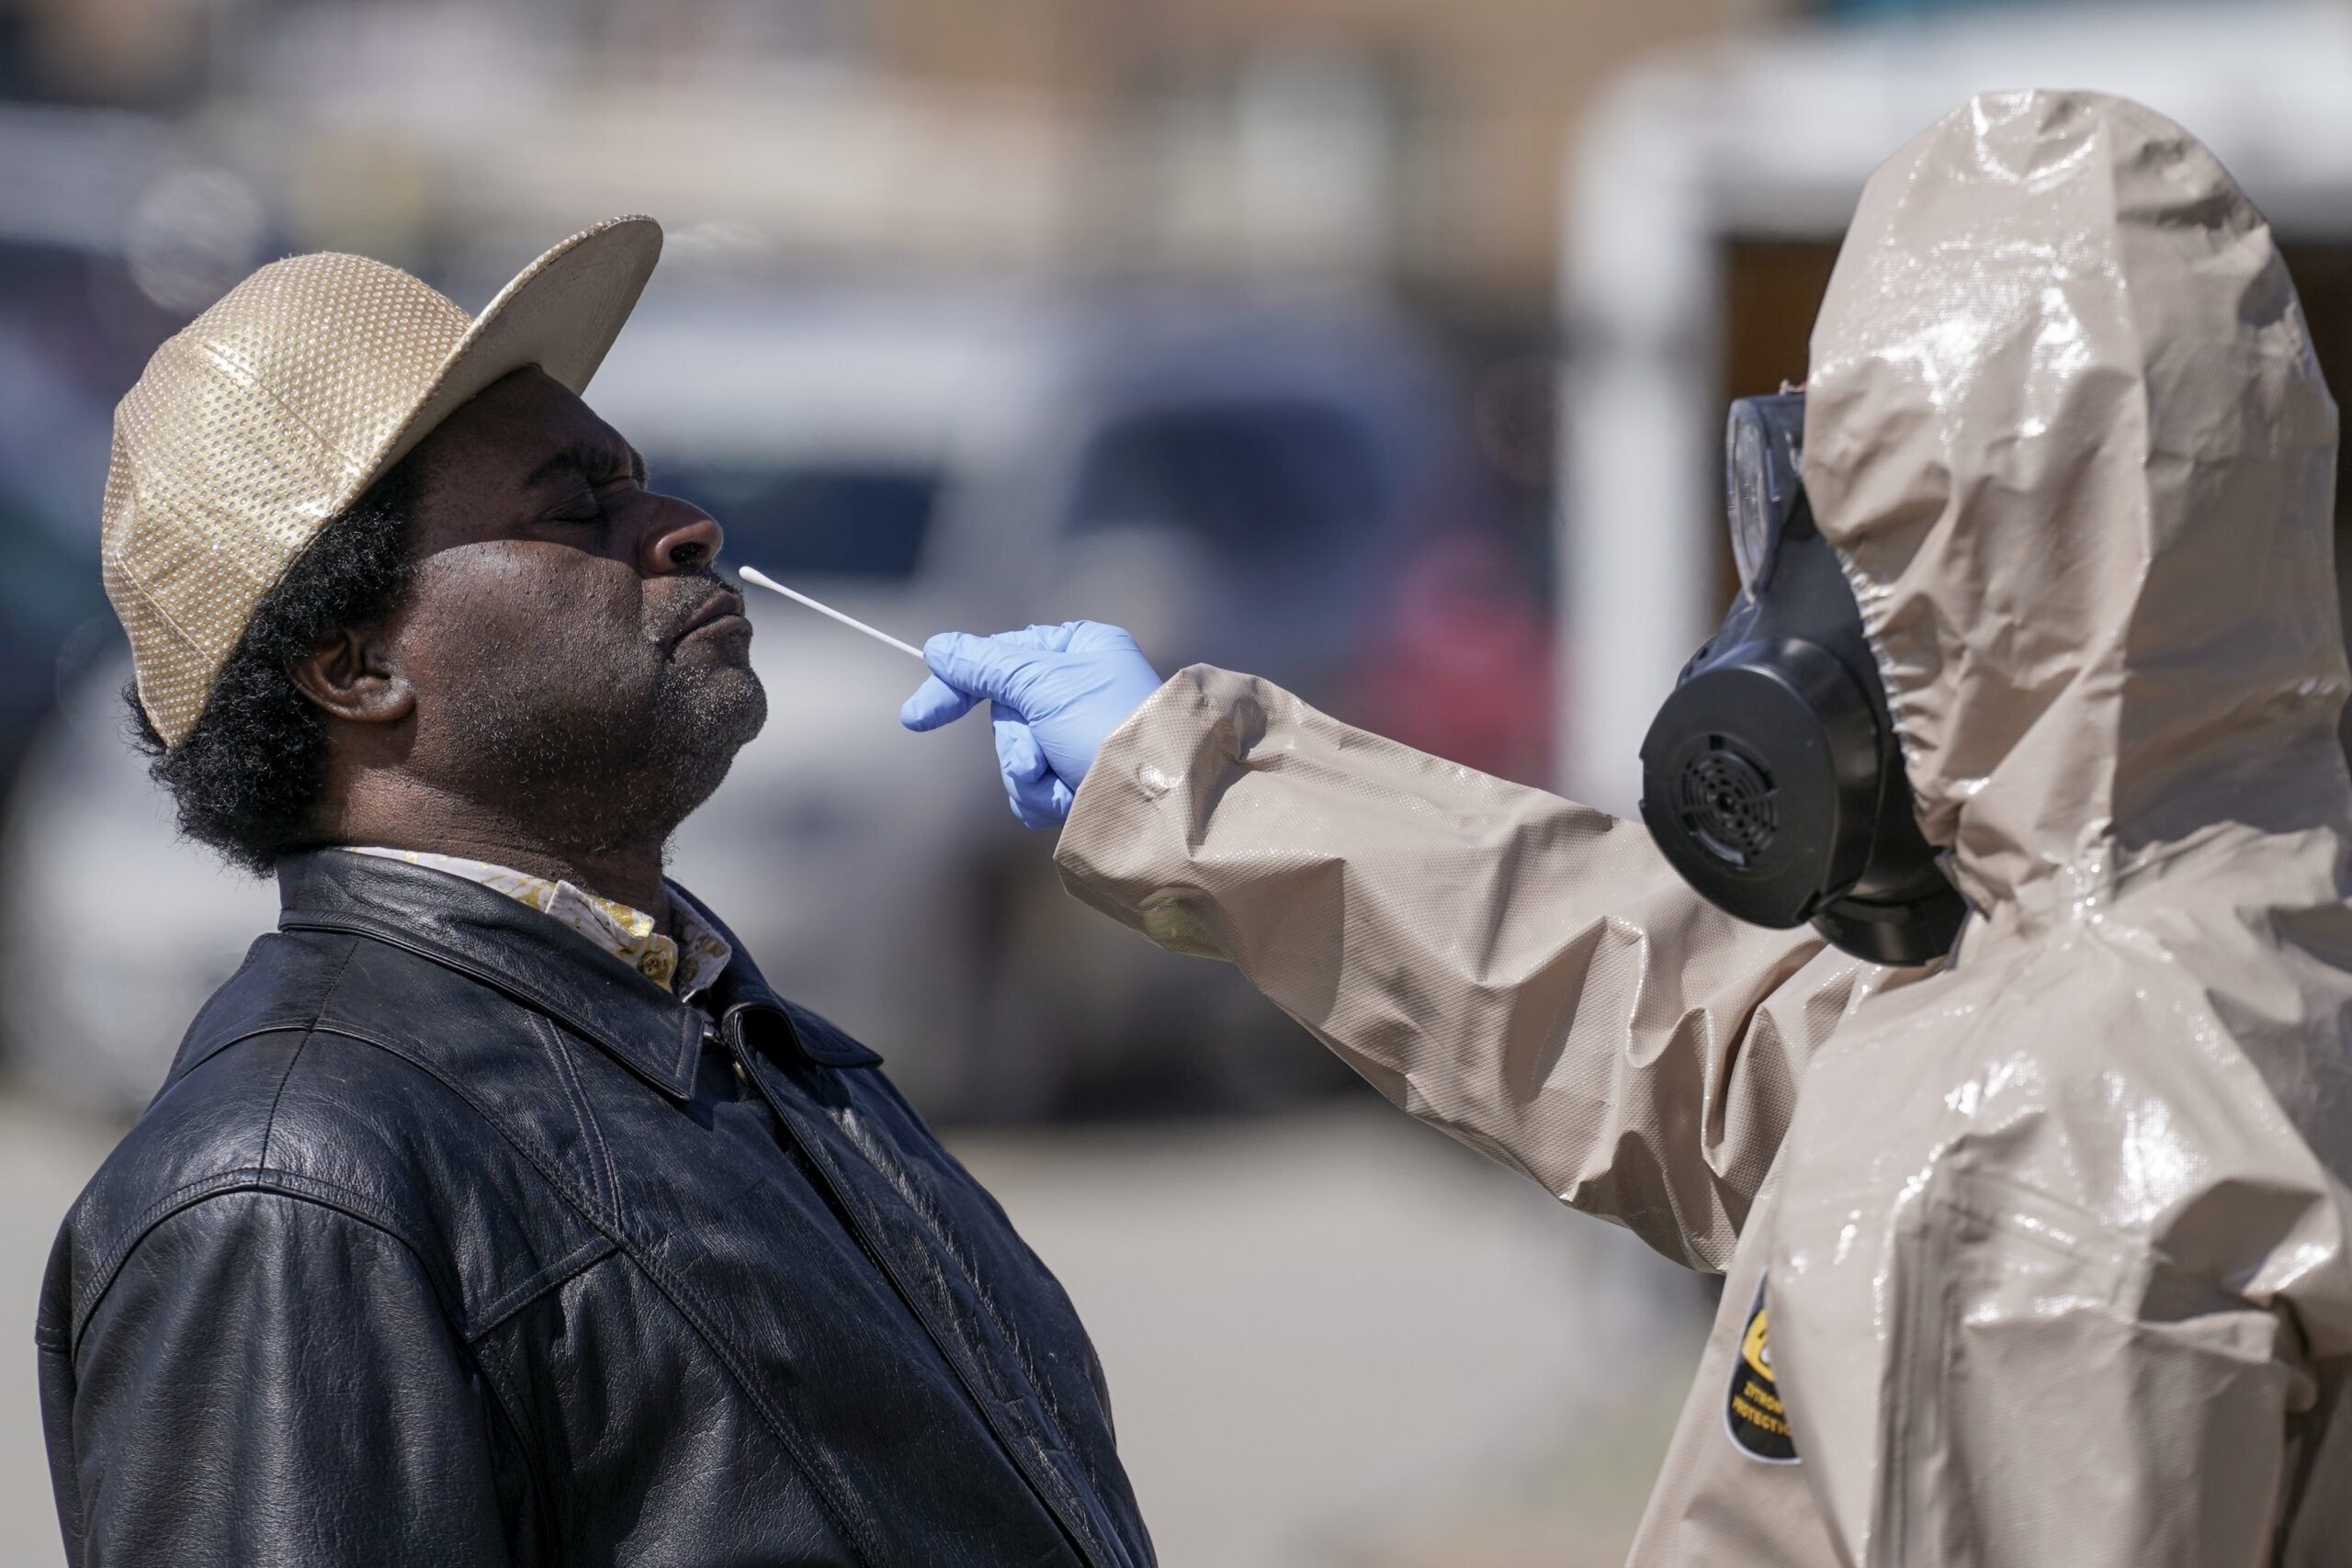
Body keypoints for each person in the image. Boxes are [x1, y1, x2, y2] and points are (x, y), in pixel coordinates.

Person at [902, 91, 2352, 1564]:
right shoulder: (2231, 951)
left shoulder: (2033, 1154)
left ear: (1970, 562)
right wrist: (1194, 788)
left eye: (1853, 527)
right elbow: (1670, 1017)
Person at [39, 217, 1154, 1567]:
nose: (686, 527)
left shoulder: (733, 1031)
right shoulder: (288, 1183)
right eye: (577, 504)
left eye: (639, 479)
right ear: (354, 668)